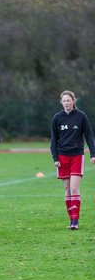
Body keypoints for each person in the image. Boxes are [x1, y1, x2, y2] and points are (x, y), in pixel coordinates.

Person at [50, 90, 95, 230]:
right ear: (61, 102)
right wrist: (55, 158)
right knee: (67, 189)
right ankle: (71, 220)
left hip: (77, 156)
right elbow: (54, 140)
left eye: (68, 100)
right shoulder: (57, 118)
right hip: (62, 157)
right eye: (64, 101)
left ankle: (75, 221)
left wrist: (93, 154)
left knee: (74, 188)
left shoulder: (81, 116)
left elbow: (89, 136)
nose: (66, 103)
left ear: (73, 101)